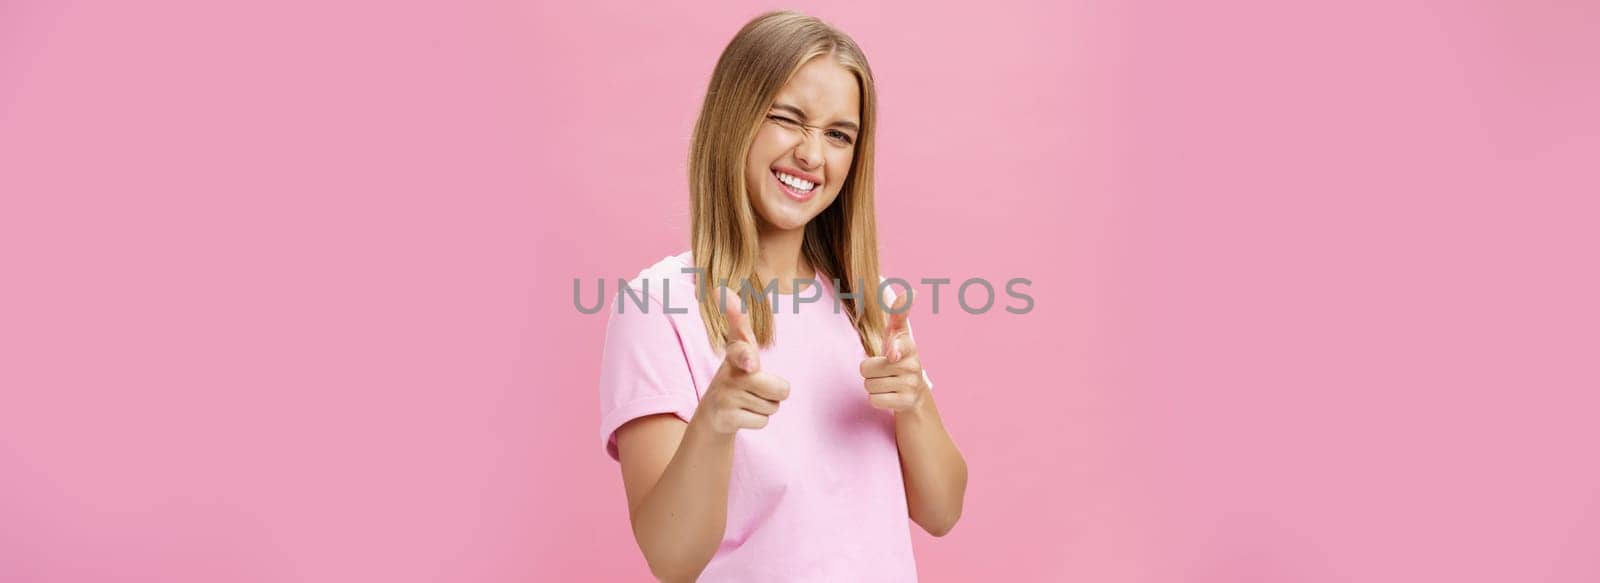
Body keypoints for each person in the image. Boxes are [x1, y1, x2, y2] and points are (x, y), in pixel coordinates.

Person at [597, 10, 967, 582]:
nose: (812, 156)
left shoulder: (867, 308)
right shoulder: (659, 305)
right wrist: (714, 423)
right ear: (734, 119)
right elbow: (670, 559)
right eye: (788, 119)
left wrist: (916, 402)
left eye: (839, 134)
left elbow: (942, 513)